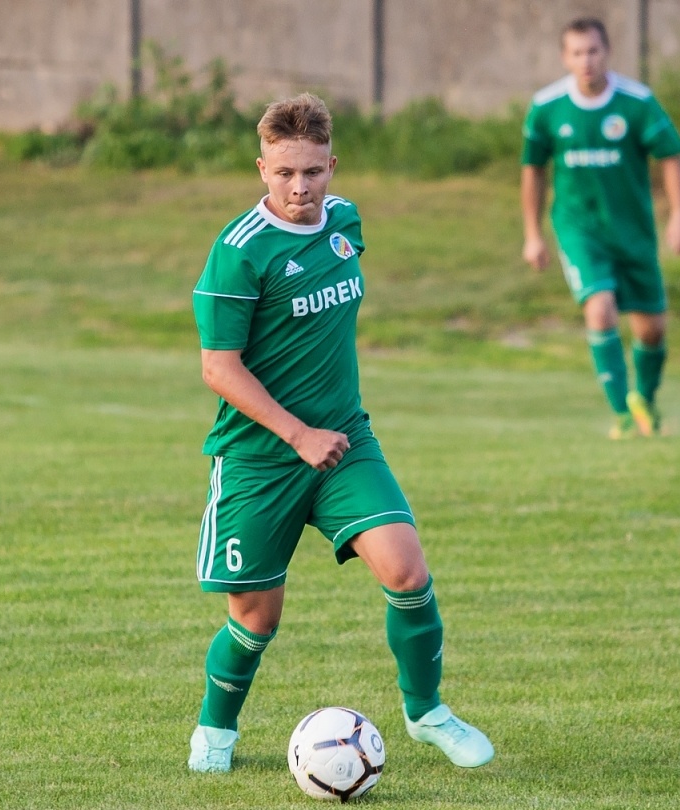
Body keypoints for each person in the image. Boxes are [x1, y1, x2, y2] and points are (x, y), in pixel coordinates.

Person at [188, 94, 495, 774]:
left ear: (332, 166)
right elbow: (218, 367)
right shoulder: (238, 253)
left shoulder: (346, 223)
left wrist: (320, 429)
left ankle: (427, 713)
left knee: (408, 572)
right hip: (258, 458)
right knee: (256, 620)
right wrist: (297, 433)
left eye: (312, 172)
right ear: (262, 169)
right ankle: (215, 731)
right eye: (284, 173)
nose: (299, 187)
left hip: (343, 442)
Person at [521, 16, 680, 439]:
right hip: (580, 229)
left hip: (633, 231)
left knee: (651, 329)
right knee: (599, 309)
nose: (586, 61)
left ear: (607, 52)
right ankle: (621, 413)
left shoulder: (637, 102)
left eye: (593, 51)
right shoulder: (547, 107)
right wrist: (533, 234)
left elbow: (671, 156)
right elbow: (533, 170)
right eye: (577, 53)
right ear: (565, 58)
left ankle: (644, 403)